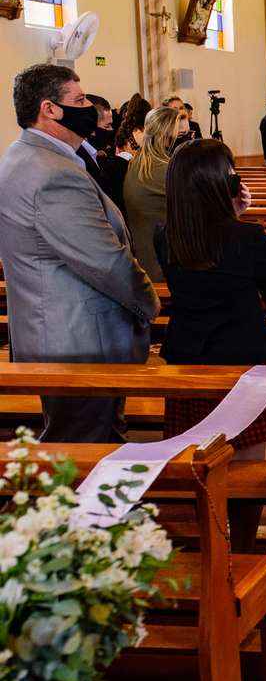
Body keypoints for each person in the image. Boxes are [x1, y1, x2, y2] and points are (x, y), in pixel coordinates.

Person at [0, 64, 158, 442]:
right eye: (80, 99)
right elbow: (104, 259)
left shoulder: (19, 156)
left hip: (51, 329)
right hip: (80, 339)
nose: (89, 107)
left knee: (90, 440)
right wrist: (148, 303)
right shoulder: (52, 172)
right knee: (82, 444)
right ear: (50, 109)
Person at [154, 139, 266, 553]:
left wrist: (230, 216)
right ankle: (242, 551)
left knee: (201, 464)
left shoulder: (165, 238)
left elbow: (207, 252)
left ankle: (214, 545)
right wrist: (239, 219)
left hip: (191, 365)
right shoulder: (249, 238)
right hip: (245, 365)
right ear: (225, 183)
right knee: (248, 472)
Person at [124, 106, 192, 283]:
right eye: (180, 138)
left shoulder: (138, 161)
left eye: (188, 135)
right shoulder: (168, 169)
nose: (187, 142)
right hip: (171, 270)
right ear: (161, 136)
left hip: (150, 264)